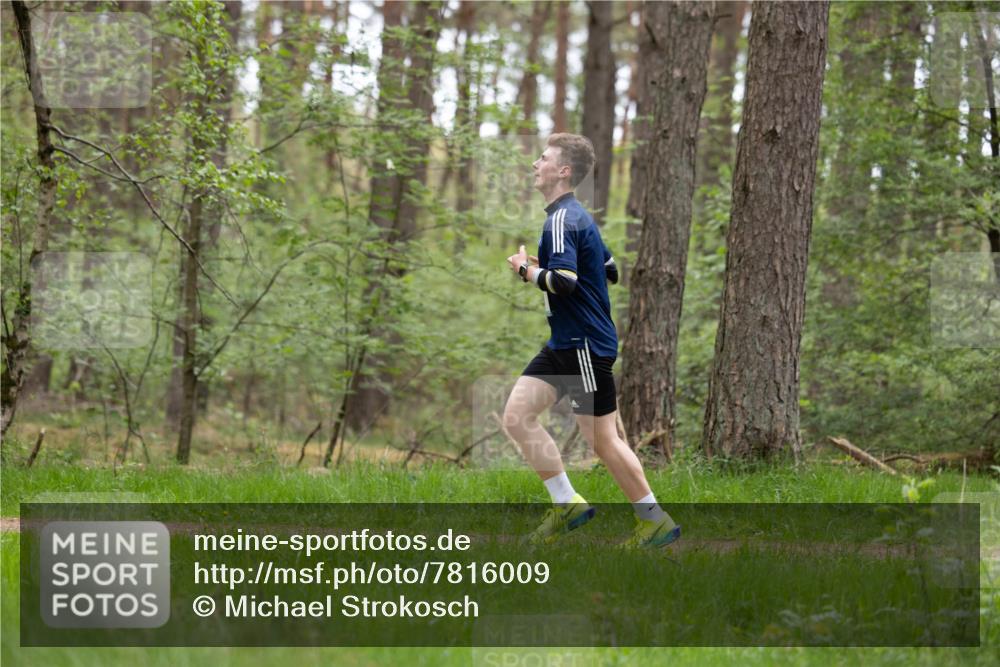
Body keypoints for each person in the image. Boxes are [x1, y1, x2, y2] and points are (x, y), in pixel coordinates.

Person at [503, 133, 680, 549]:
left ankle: (655, 521)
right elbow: (610, 268)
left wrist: (526, 271)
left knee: (602, 441)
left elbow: (564, 283)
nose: (536, 164)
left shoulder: (564, 218)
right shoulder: (574, 218)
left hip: (583, 347)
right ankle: (567, 504)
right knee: (516, 416)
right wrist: (545, 264)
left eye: (543, 158)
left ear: (563, 171)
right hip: (565, 344)